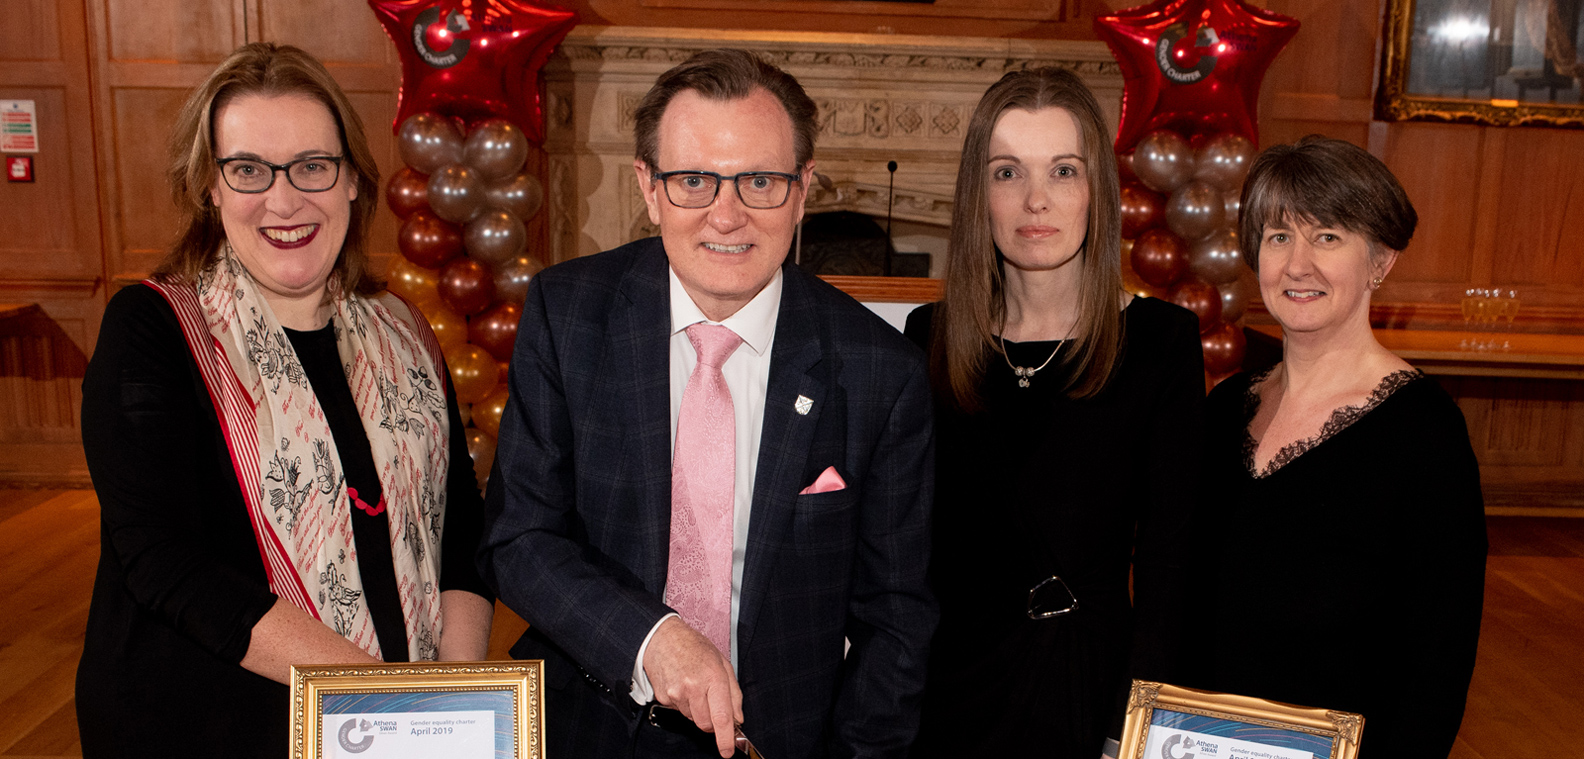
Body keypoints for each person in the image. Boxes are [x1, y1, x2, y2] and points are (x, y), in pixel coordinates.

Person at [479, 49, 937, 759]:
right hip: (589, 728)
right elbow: (520, 539)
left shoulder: (881, 369)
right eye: (694, 180)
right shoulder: (568, 316)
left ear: (803, 189)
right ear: (649, 187)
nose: (727, 215)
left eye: (760, 181)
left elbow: (895, 619)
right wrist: (651, 638)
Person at [76, 42, 494, 758]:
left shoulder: (403, 328)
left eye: (312, 165)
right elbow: (166, 562)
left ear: (352, 179)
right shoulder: (151, 329)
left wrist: (449, 702)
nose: (283, 198)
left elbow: (460, 532)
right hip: (208, 726)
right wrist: (390, 703)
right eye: (248, 170)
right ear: (210, 186)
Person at [903, 67, 1204, 759]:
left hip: (1084, 692)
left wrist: (1132, 727)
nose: (1035, 199)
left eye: (1064, 171)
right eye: (1007, 172)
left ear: (1099, 190)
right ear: (978, 194)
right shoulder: (929, 337)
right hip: (948, 693)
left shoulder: (1160, 343)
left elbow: (1171, 565)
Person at [1185, 136, 1487, 758]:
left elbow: (1438, 661)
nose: (1298, 265)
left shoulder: (1425, 433)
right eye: (1278, 237)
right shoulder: (1223, 409)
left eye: (1327, 236)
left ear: (1381, 260)